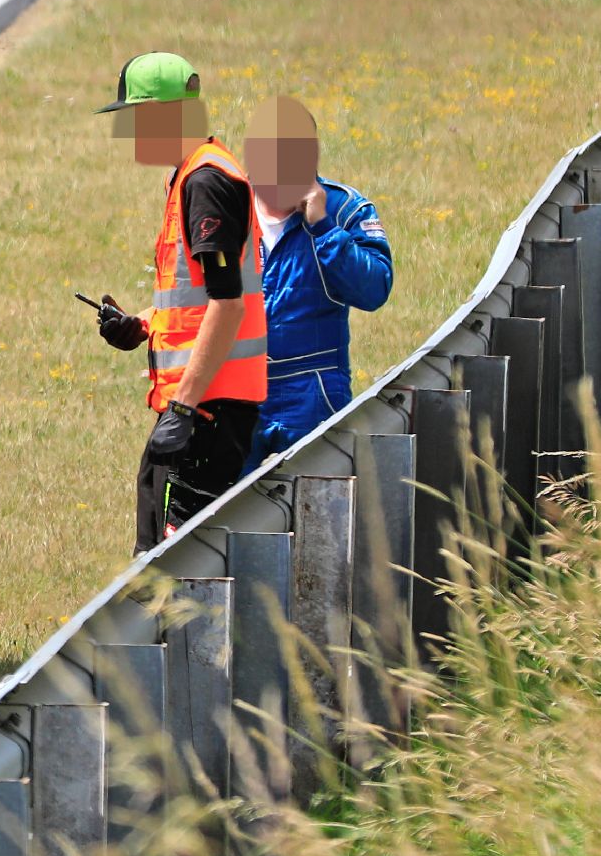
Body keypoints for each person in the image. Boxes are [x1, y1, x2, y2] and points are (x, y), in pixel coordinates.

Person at [92, 52, 269, 552]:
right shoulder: (190, 174)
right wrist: (141, 324)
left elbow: (227, 303)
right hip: (205, 404)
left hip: (210, 407)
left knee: (175, 560)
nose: (128, 134)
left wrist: (184, 408)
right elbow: (195, 299)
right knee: (157, 545)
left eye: (132, 119)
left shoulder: (206, 182)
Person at [242, 96, 394, 469]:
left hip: (314, 390)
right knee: (225, 513)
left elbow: (375, 289)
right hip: (239, 389)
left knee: (321, 506)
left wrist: (324, 229)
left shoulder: (346, 209)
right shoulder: (230, 204)